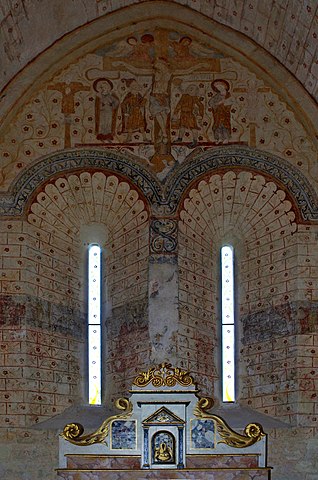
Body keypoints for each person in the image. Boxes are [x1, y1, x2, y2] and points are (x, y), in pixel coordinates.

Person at [208, 79, 232, 144]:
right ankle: (219, 138)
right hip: (217, 113)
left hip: (224, 113)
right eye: (217, 87)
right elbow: (210, 103)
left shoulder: (228, 95)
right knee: (217, 126)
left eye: (220, 86)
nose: (219, 88)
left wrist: (224, 103)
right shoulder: (217, 96)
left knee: (224, 125)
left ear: (224, 86)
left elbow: (230, 102)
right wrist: (218, 103)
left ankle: (226, 138)